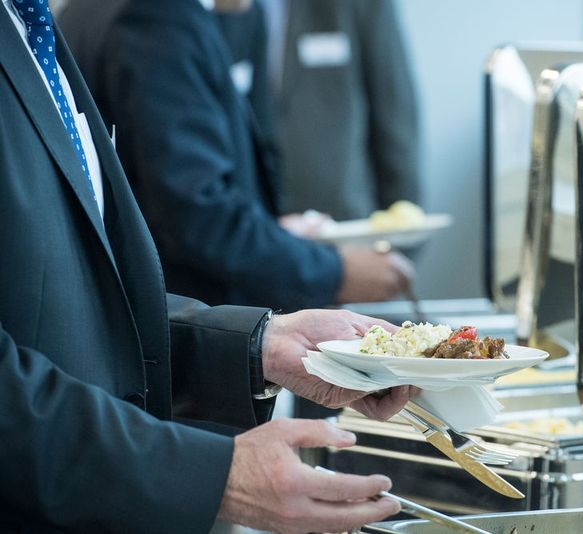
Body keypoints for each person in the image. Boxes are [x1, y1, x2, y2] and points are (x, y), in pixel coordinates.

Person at [0, 0, 413, 531]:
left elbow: (69, 306)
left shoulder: (33, 23)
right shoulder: (144, 16)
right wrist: (214, 475)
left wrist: (259, 344)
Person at [57, 0, 414, 314]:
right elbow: (195, 213)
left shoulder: (84, 8)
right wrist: (335, 273)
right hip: (182, 319)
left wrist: (276, 232)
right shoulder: (157, 16)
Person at [221, 0, 420, 221]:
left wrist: (398, 231)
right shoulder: (211, 9)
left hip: (344, 227)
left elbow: (393, 114)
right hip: (243, 229)